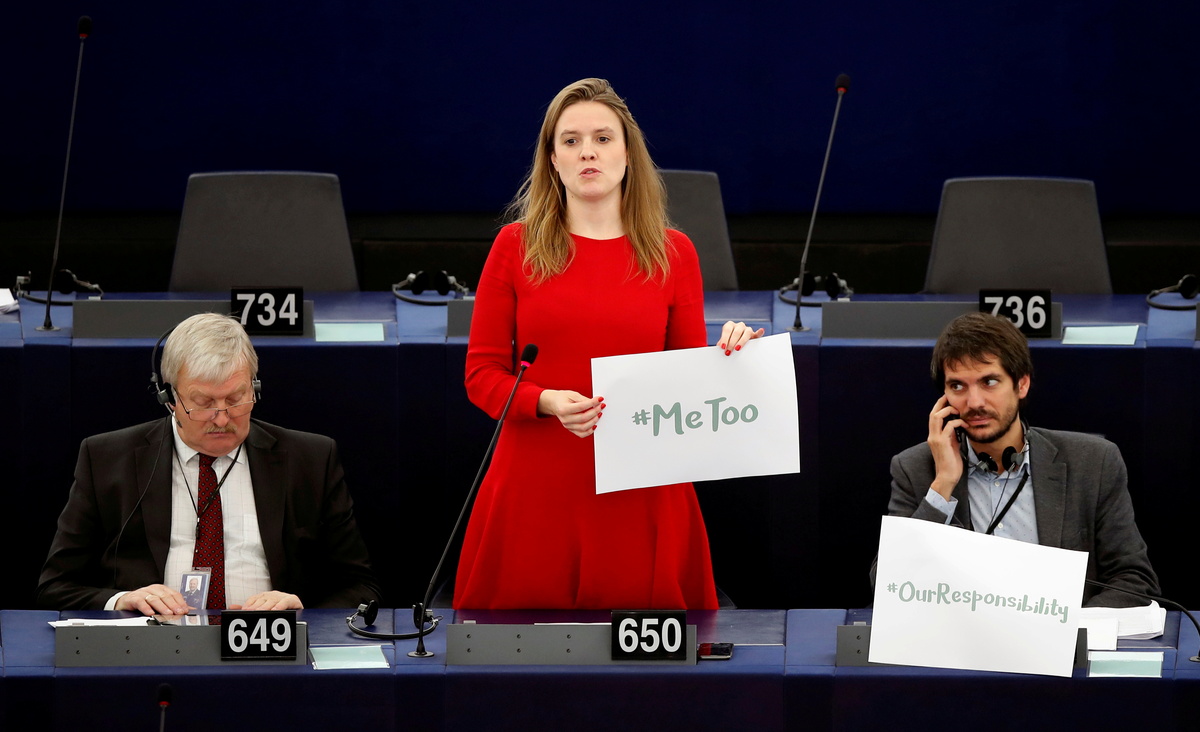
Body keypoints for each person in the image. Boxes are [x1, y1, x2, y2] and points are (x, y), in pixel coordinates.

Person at [454, 78, 762, 610]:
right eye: (571, 141)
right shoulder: (514, 246)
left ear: (628, 153)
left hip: (641, 489)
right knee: (518, 654)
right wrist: (545, 401)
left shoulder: (674, 253)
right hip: (535, 486)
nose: (588, 152)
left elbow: (686, 385)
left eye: (602, 138)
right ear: (553, 160)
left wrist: (731, 357)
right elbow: (481, 376)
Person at [37, 313, 381, 615]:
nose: (222, 418)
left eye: (235, 398)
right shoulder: (108, 459)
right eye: (203, 403)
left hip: (271, 647)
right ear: (169, 398)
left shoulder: (310, 460)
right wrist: (121, 600)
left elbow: (362, 588)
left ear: (255, 388)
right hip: (151, 646)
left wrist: (299, 608)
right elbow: (55, 587)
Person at [876, 312, 1158, 607]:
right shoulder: (916, 469)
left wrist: (1068, 628)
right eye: (958, 386)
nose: (974, 402)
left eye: (989, 381)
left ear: (1021, 384)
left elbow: (1134, 579)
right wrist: (943, 485)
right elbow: (887, 585)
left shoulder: (1093, 463)